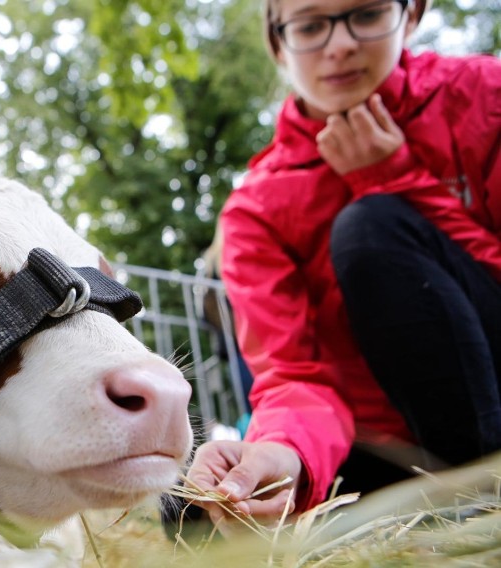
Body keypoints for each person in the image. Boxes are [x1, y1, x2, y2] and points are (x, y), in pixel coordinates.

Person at [186, 0, 501, 529]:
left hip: (486, 419)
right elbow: (292, 373)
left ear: (412, 14)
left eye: (367, 14)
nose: (340, 45)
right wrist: (283, 453)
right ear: (278, 44)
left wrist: (395, 180)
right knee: (199, 510)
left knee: (371, 227)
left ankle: (480, 498)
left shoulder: (484, 97)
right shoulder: (256, 210)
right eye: (311, 26)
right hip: (385, 450)